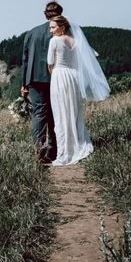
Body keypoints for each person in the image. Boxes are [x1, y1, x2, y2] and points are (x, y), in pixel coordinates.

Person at [47, 15, 110, 166]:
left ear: (62, 27)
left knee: (61, 114)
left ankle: (64, 153)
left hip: (60, 76)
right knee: (74, 113)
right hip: (74, 78)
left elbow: (50, 63)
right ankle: (79, 145)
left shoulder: (54, 41)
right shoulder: (77, 42)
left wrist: (54, 74)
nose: (51, 30)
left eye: (53, 27)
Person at [21, 1, 63, 163]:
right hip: (55, 77)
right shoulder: (61, 31)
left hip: (34, 79)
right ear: (60, 13)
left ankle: (38, 150)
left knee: (38, 114)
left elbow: (25, 60)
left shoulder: (31, 33)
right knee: (54, 114)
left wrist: (24, 84)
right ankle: (52, 152)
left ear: (45, 14)